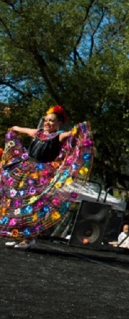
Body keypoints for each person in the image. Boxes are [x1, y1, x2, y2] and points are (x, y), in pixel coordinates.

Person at [1, 105, 93, 250]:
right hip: (25, 171)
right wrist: (15, 128)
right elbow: (23, 130)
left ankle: (29, 239)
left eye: (52, 121)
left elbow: (72, 134)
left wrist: (80, 130)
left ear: (58, 123)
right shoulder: (37, 133)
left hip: (40, 176)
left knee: (30, 208)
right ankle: (18, 236)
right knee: (17, 205)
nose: (47, 123)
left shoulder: (58, 136)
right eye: (46, 120)